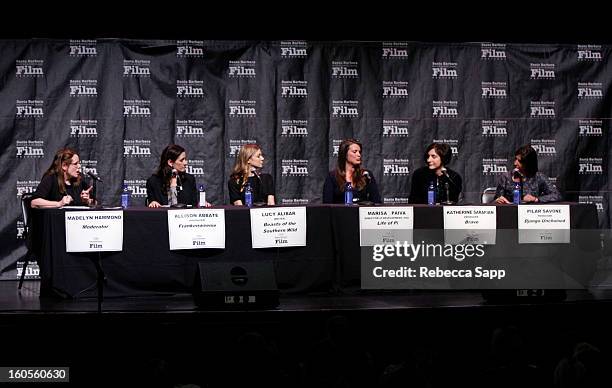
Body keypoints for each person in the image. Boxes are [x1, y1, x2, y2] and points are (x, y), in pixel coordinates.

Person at [494, 144, 561, 204]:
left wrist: (536, 199)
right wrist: (498, 200)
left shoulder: (538, 177)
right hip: (510, 212)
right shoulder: (506, 177)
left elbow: (556, 195)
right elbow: (496, 199)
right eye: (515, 159)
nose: (515, 163)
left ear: (528, 163)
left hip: (530, 214)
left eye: (519, 161)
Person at [322, 138, 381, 204]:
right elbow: (327, 205)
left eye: (359, 152)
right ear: (344, 154)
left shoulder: (366, 175)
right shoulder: (332, 177)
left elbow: (377, 202)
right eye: (354, 152)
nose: (359, 155)